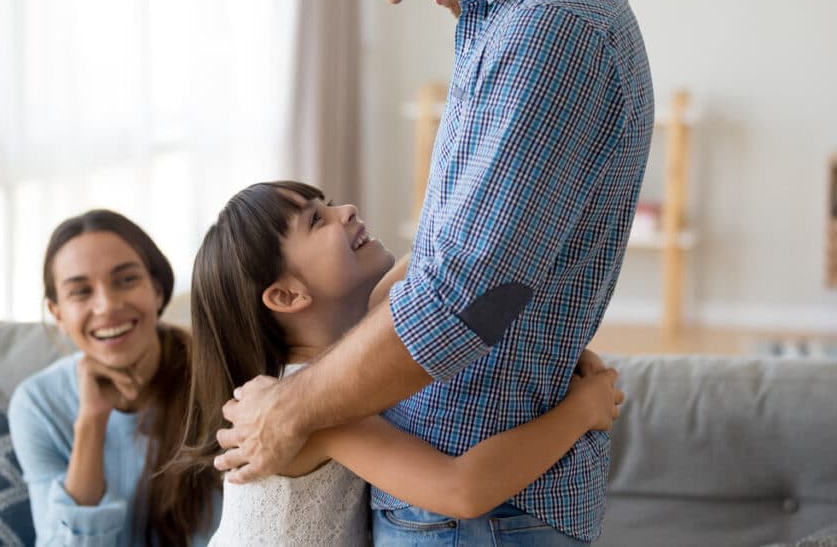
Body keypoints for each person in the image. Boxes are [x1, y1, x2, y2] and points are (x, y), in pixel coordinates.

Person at [215, 0, 655, 545]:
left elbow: (461, 295)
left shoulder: (549, 26)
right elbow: (475, 269)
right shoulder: (513, 15)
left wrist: (291, 408)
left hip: (476, 519)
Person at [178, 181, 623, 545]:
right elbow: (462, 490)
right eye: (317, 220)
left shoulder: (353, 341)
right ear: (289, 295)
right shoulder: (310, 409)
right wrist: (581, 412)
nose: (347, 209)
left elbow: (446, 271)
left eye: (328, 204)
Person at [8, 209, 220, 546]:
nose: (106, 305)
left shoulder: (218, 376)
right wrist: (91, 422)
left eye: (126, 280)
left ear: (158, 290)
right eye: (80, 291)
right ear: (57, 314)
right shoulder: (36, 404)